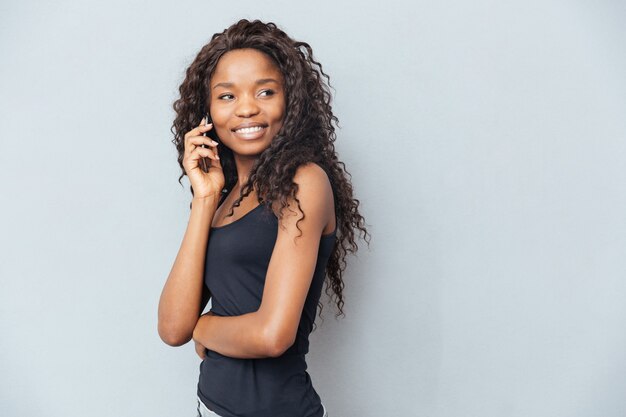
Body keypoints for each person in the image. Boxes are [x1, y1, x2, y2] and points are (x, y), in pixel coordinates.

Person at [158, 19, 370, 417]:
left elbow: (273, 335)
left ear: (290, 101)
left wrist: (202, 329)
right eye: (227, 96)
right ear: (207, 112)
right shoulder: (222, 197)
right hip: (212, 406)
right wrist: (204, 200)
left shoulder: (306, 183)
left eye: (265, 91)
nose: (247, 108)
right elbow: (172, 327)